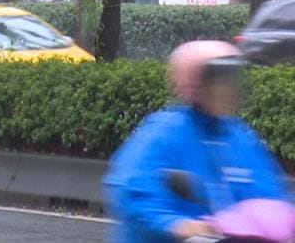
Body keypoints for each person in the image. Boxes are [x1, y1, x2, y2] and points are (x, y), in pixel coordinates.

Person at [104, 40, 290, 242]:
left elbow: (268, 195)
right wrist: (175, 224)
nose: (229, 89)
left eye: (233, 79)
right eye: (221, 80)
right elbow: (132, 188)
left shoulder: (240, 136)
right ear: (196, 84)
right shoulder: (163, 132)